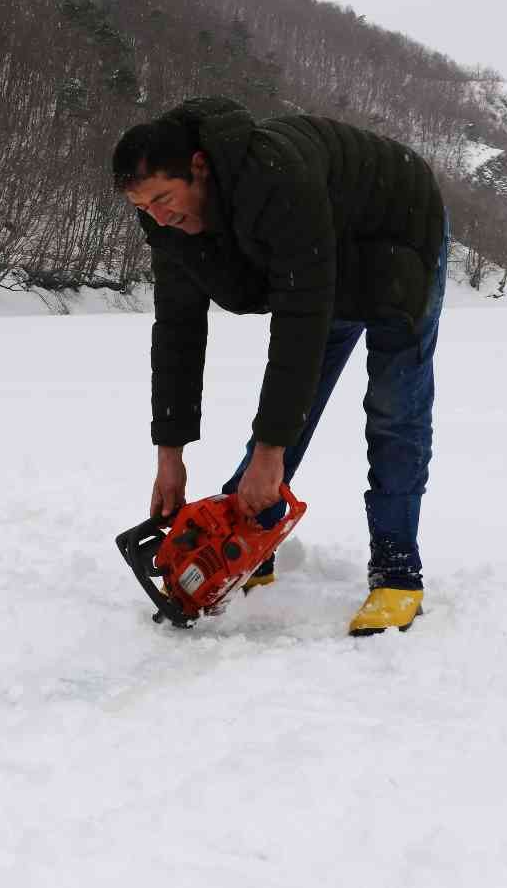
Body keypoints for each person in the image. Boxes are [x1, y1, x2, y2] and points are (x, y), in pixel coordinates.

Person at [112, 97, 448, 636]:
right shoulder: (170, 225)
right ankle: (250, 537)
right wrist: (169, 454)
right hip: (326, 252)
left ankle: (397, 569)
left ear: (198, 168)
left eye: (164, 199)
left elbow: (299, 323)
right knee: (297, 401)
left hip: (399, 234)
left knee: (394, 407)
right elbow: (177, 331)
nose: (158, 216)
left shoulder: (274, 181)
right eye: (143, 207)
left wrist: (270, 452)